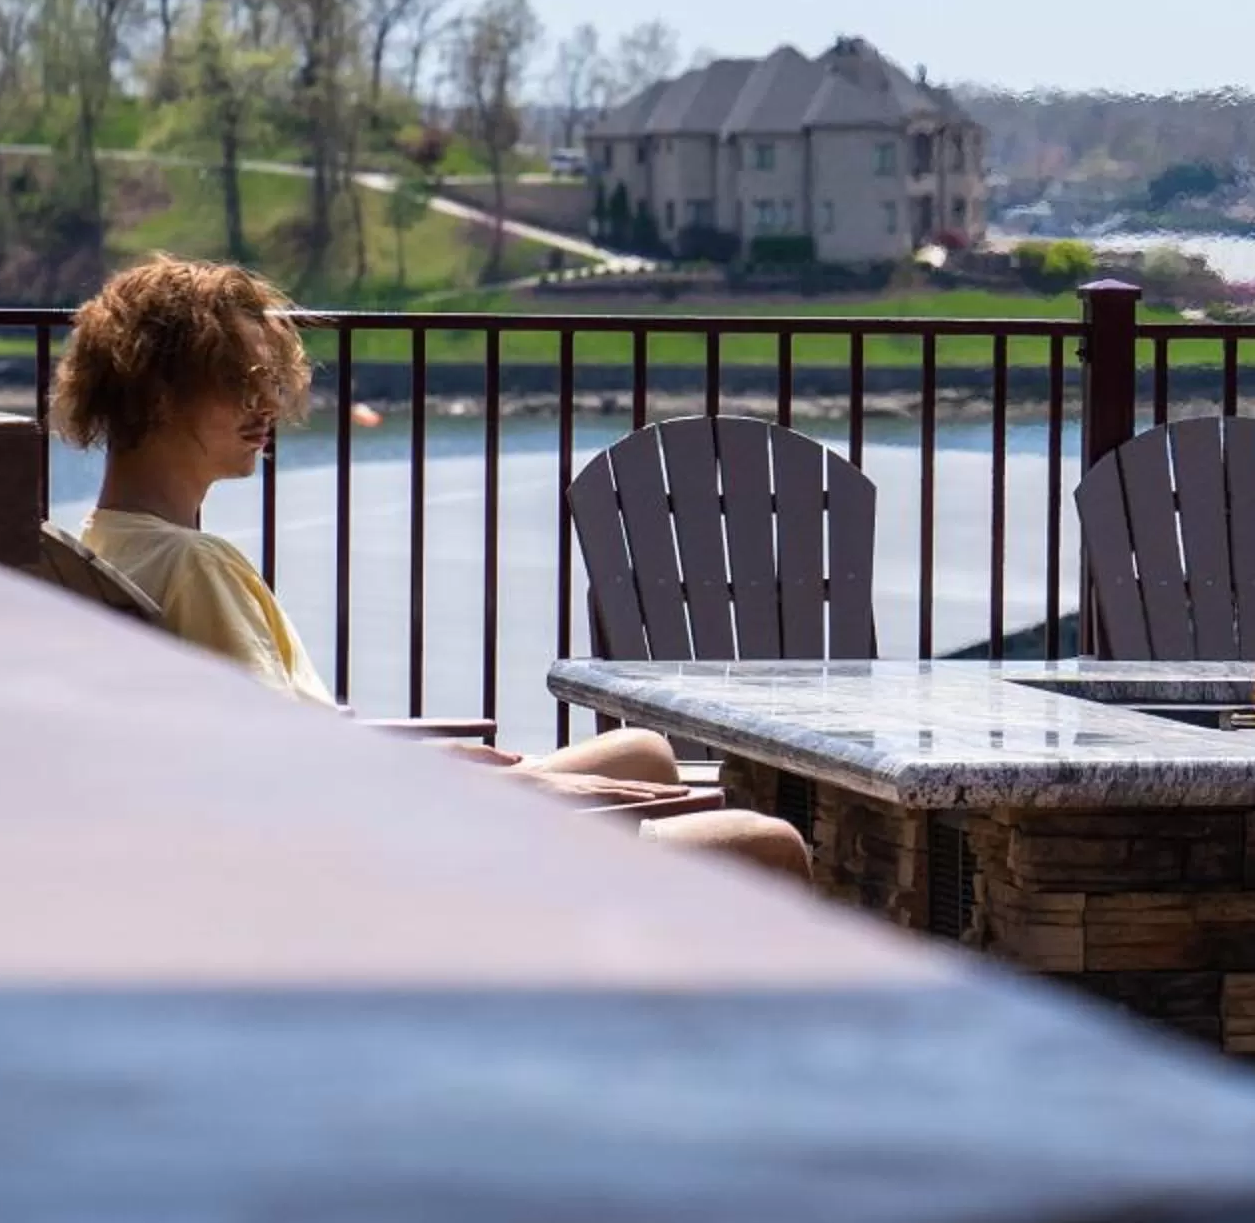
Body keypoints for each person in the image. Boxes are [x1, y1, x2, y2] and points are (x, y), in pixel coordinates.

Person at [50, 255, 809, 878]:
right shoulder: (192, 565)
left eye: (270, 383)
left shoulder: (106, 542)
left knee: (644, 751)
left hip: (351, 819)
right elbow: (288, 777)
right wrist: (509, 788)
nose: (267, 407)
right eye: (239, 386)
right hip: (376, 859)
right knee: (769, 846)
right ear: (154, 395)